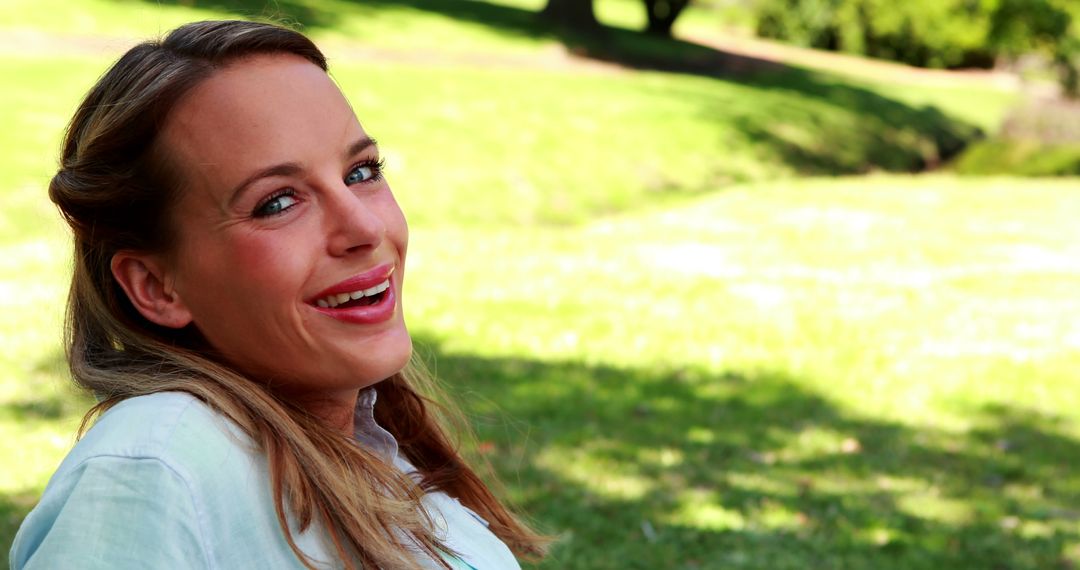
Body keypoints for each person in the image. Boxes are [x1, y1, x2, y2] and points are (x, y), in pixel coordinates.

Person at [9, 20, 546, 569]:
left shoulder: (374, 453)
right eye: (278, 203)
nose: (363, 227)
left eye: (361, 171)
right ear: (156, 287)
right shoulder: (154, 469)